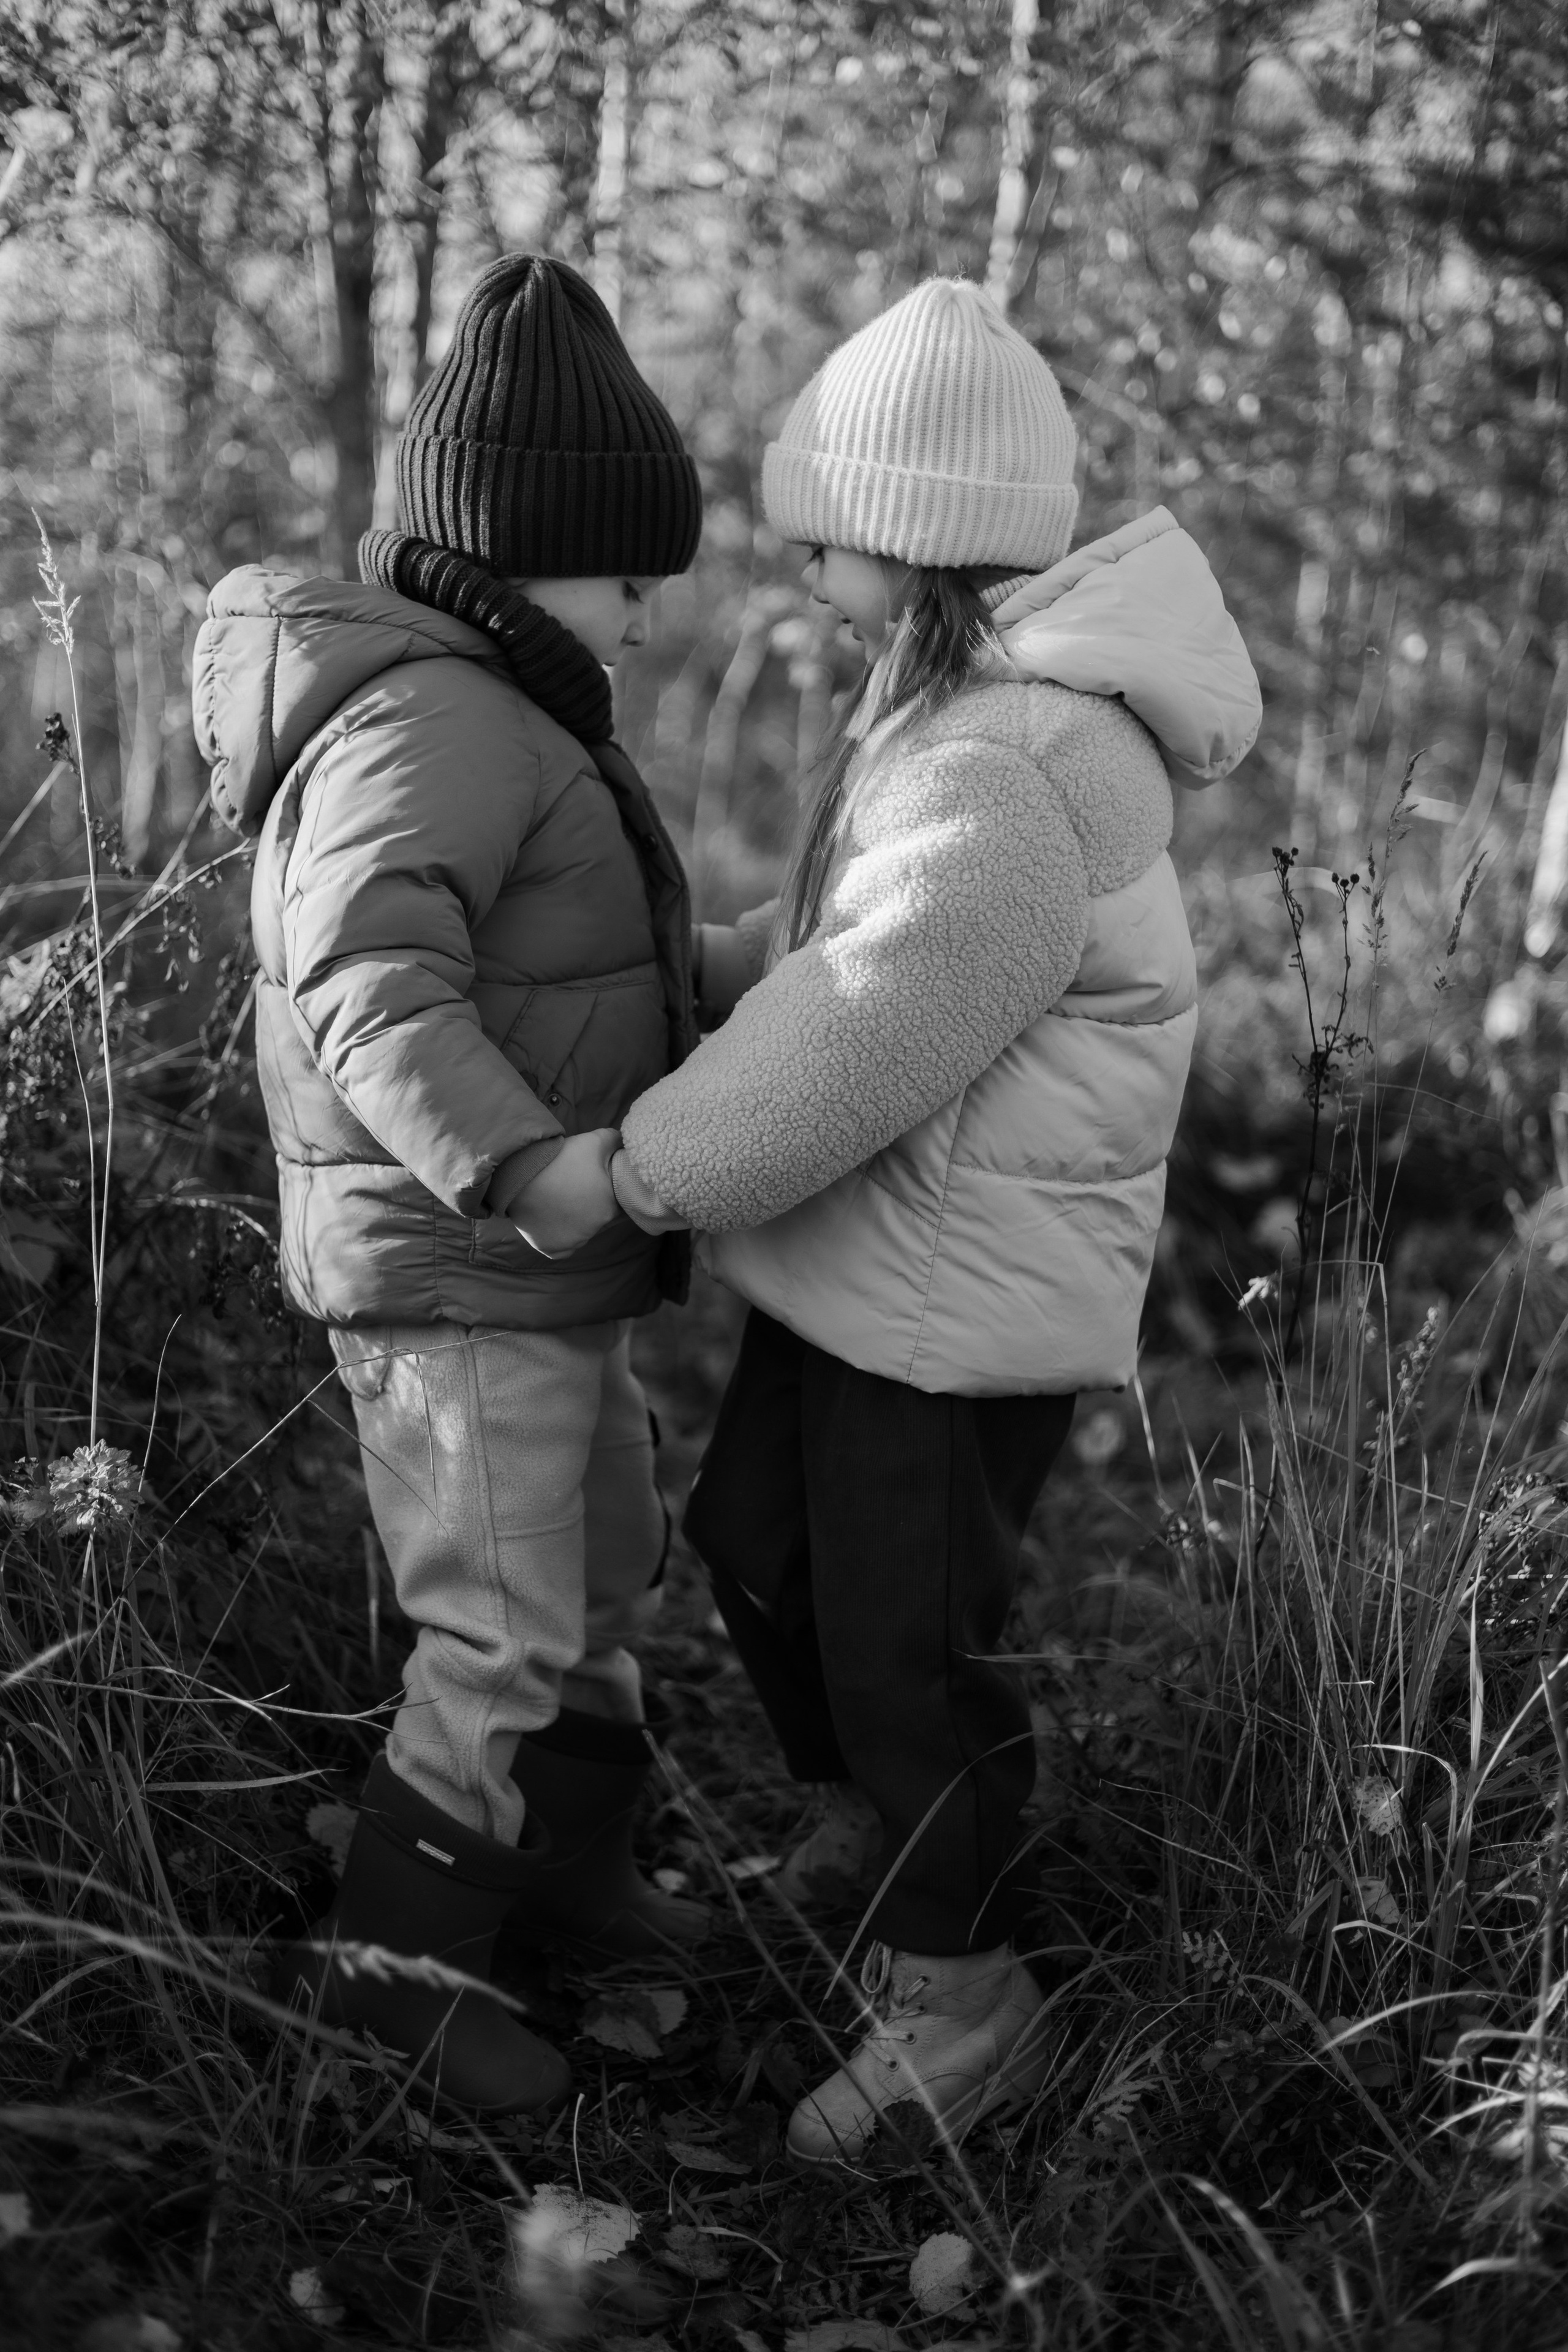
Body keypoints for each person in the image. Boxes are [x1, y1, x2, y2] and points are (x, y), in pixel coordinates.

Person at [608, 276, 1261, 2165]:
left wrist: (648, 1164)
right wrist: (715, 963)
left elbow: (865, 1031)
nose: (801, 566)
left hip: (954, 1310)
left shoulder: (1011, 766)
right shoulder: (967, 721)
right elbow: (849, 963)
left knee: (905, 1644)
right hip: (881, 1274)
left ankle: (968, 2000)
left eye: (827, 534)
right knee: (760, 1542)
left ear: (919, 543)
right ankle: (879, 1830)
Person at [192, 254, 709, 2116]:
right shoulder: (439, 720)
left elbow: (562, 969)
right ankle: (394, 1973)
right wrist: (519, 1161)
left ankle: (560, 1866)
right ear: (520, 547)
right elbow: (364, 982)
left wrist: (751, 971)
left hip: (533, 1274)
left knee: (590, 1570)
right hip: (461, 1260)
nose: (653, 613)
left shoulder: (516, 716)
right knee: (491, 1613)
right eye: (634, 574)